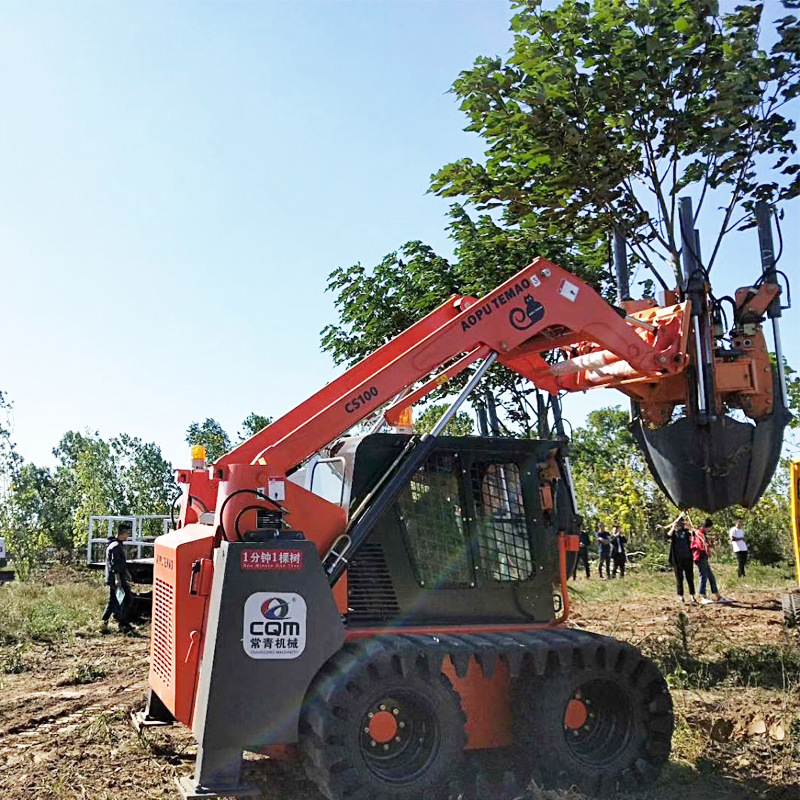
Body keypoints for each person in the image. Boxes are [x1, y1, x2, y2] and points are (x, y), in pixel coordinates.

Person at [102, 522, 134, 632]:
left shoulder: (116, 545)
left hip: (117, 577)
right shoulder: (116, 547)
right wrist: (117, 578)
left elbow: (121, 563)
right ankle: (121, 623)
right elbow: (114, 564)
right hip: (116, 578)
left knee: (114, 601)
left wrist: (127, 573)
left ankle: (106, 622)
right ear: (122, 533)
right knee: (127, 599)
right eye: (127, 533)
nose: (128, 536)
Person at [692, 518, 729, 605]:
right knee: (703, 576)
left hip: (704, 557)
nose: (709, 530)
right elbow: (699, 545)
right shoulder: (698, 533)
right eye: (709, 528)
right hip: (700, 556)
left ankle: (717, 595)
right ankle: (702, 596)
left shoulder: (702, 534)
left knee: (711, 576)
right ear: (706, 526)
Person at [668, 517, 697, 604]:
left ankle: (692, 595)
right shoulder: (674, 533)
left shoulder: (686, 532)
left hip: (687, 557)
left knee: (690, 578)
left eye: (681, 523)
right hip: (677, 559)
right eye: (678, 523)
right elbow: (667, 536)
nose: (680, 525)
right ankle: (681, 596)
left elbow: (694, 534)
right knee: (679, 578)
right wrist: (673, 527)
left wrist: (690, 527)